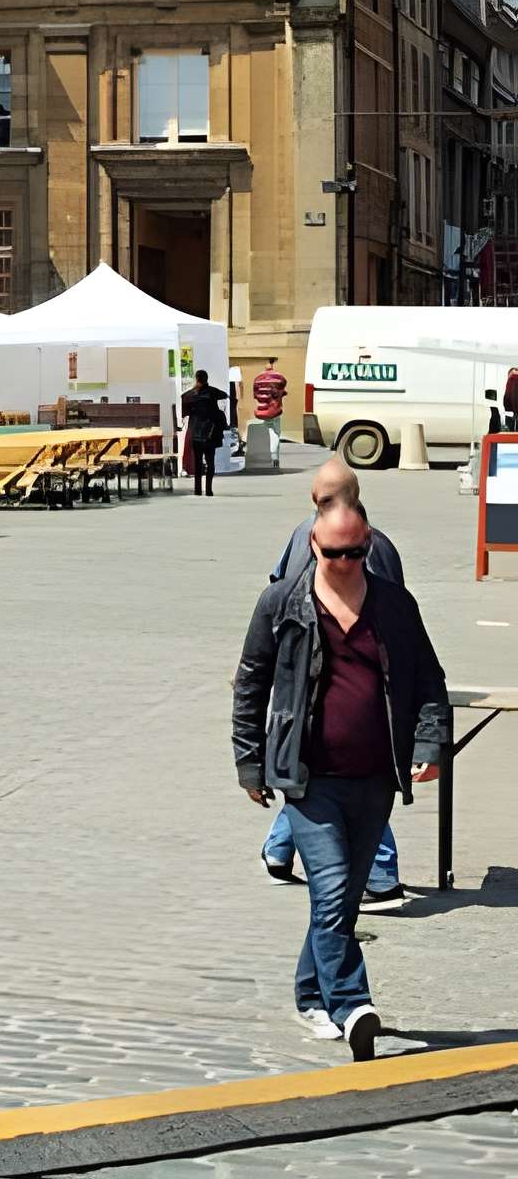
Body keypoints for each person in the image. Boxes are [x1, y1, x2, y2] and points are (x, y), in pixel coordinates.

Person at [233, 498, 450, 1058]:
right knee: (330, 892)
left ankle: (311, 994)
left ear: (368, 543)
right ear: (313, 546)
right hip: (308, 778)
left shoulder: (394, 605)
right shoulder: (282, 602)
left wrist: (430, 746)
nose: (346, 562)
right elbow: (251, 683)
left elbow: (429, 680)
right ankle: (354, 1005)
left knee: (345, 900)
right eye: (335, 553)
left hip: (376, 777)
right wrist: (250, 762)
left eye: (356, 552)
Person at [261, 459, 406, 904]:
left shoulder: (336, 540)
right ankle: (379, 873)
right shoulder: (364, 542)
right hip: (320, 693)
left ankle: (281, 849)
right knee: (330, 780)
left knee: (325, 778)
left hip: (339, 693)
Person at [184, 369, 229, 496]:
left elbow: (185, 405)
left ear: (196, 379)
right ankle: (209, 490)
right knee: (210, 462)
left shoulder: (191, 394)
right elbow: (225, 395)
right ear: (206, 379)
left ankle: (197, 490)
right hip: (210, 432)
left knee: (197, 463)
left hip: (195, 433)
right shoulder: (213, 392)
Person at [253, 359, 289, 468]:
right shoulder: (279, 377)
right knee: (275, 433)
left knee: (269, 431)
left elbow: (255, 395)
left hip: (262, 410)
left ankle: (274, 458)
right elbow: (283, 388)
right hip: (275, 411)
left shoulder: (257, 379)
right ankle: (274, 456)